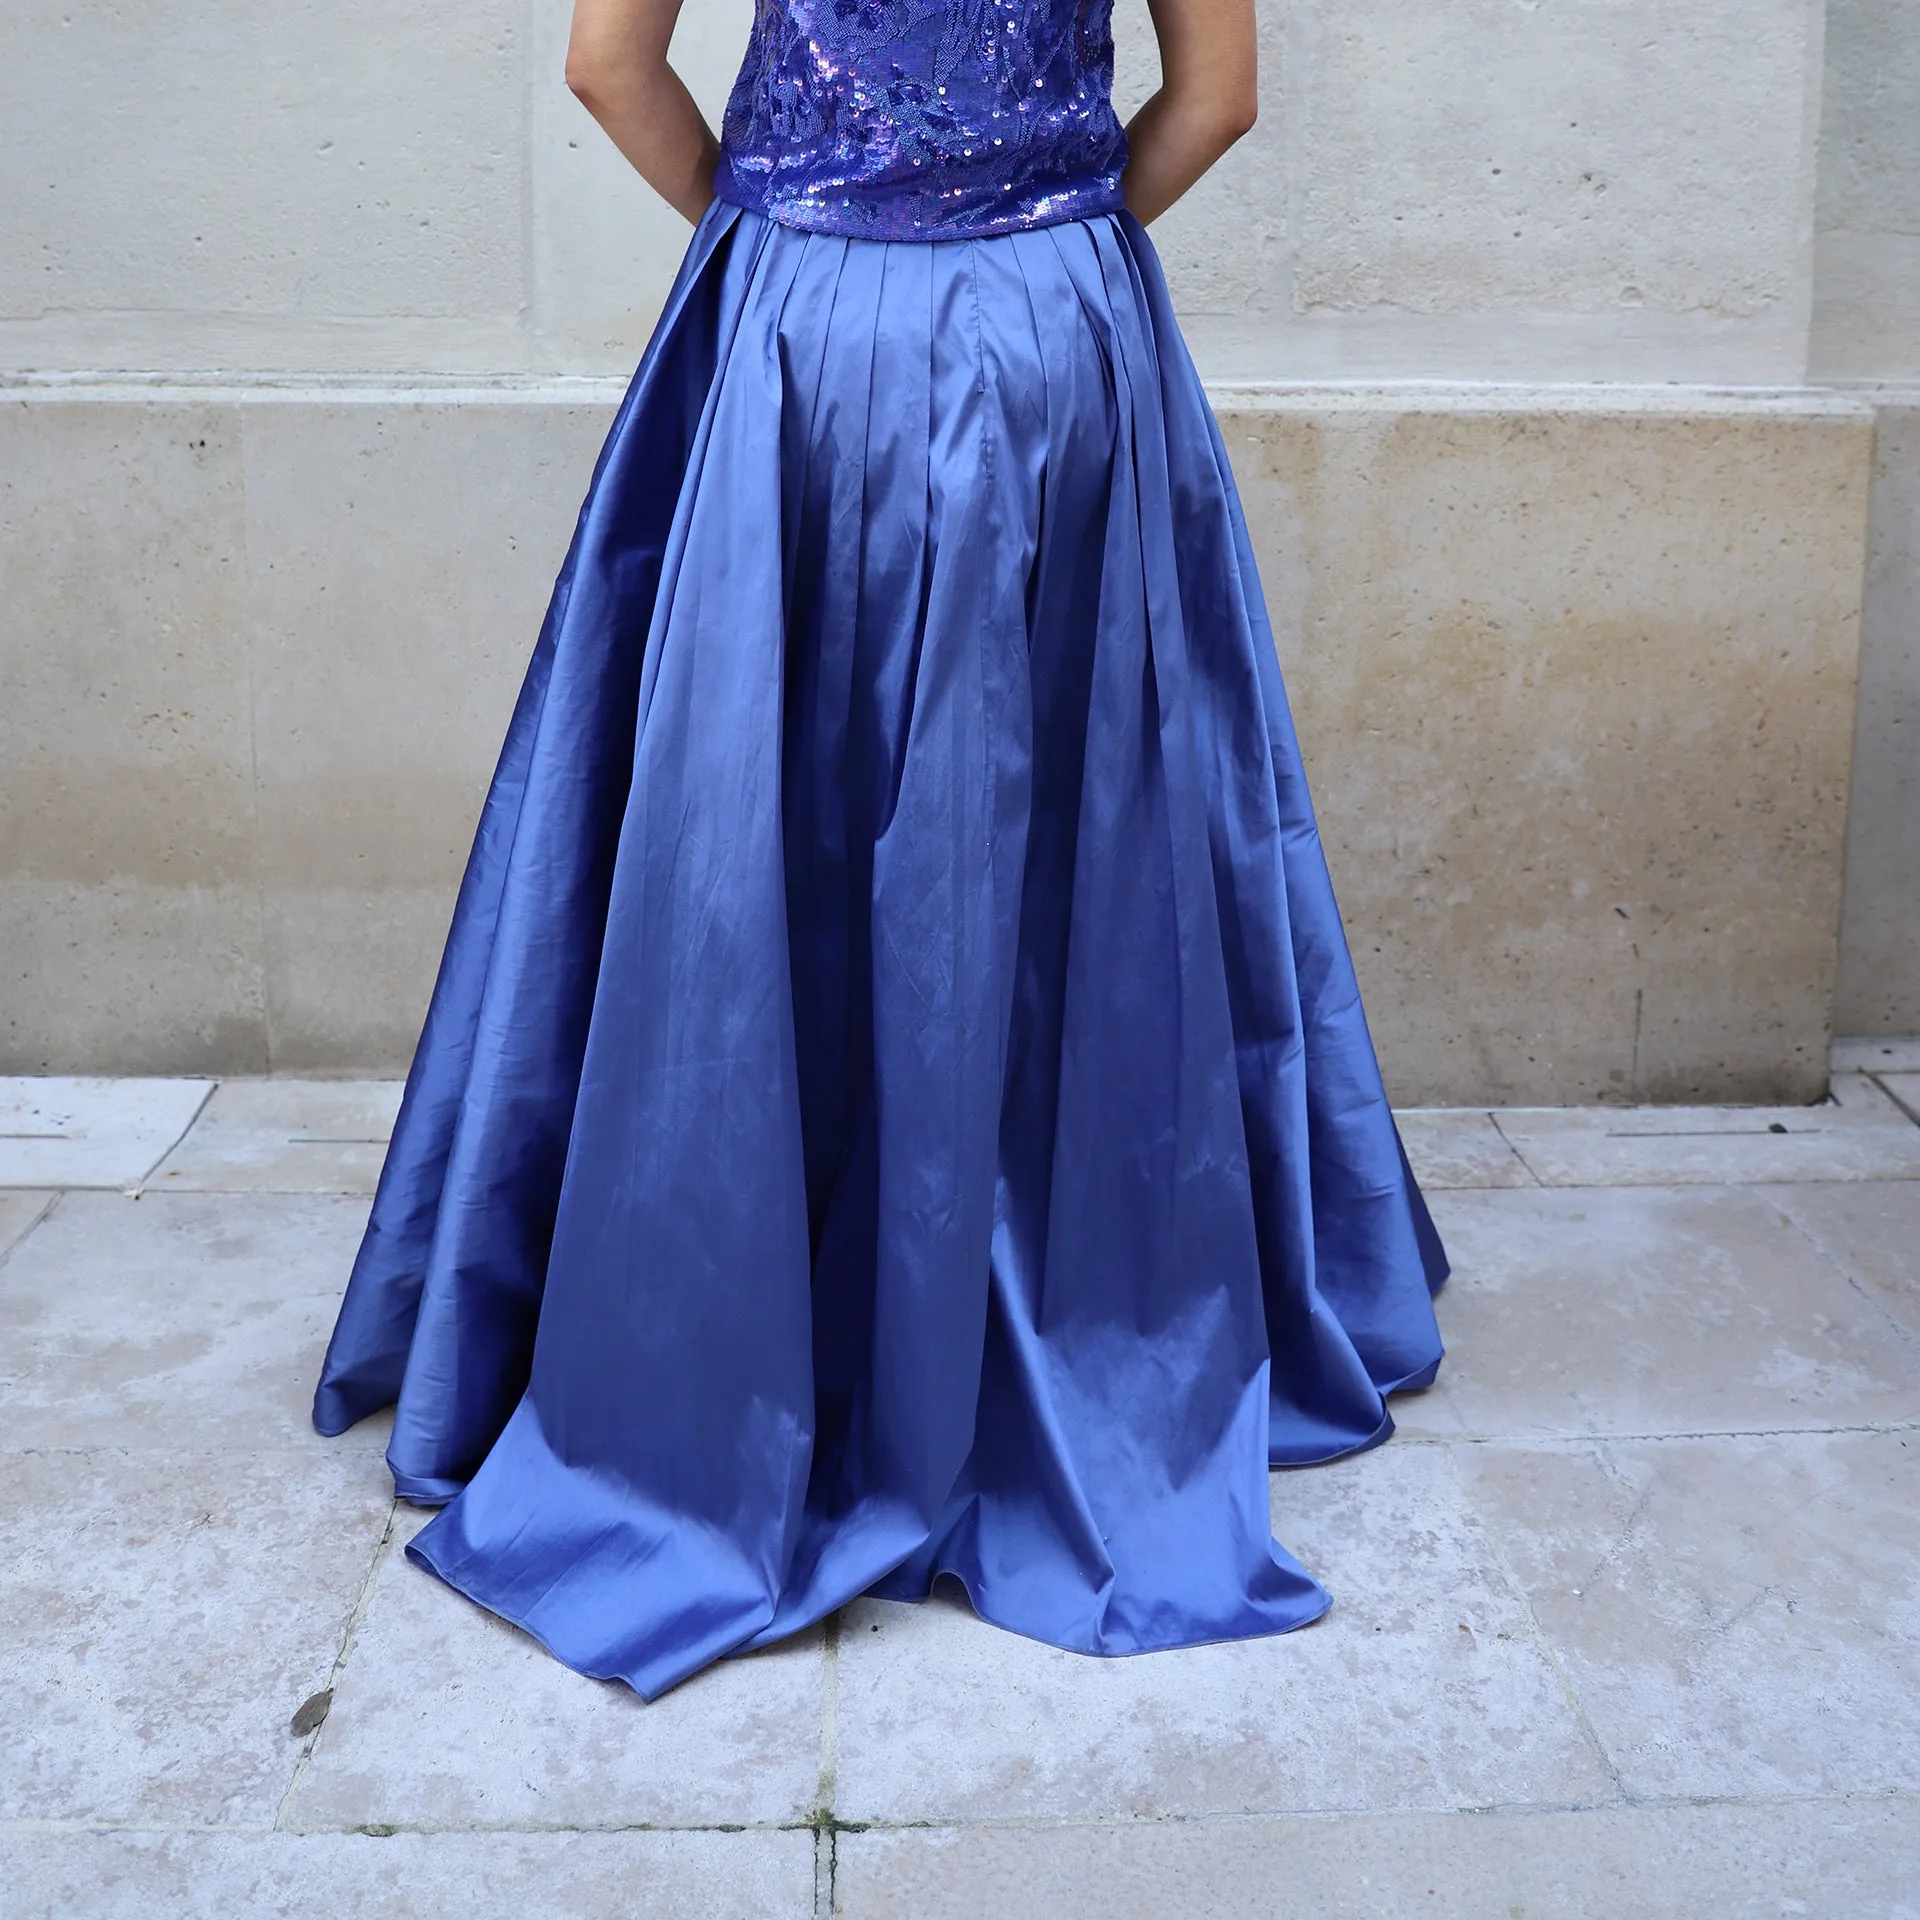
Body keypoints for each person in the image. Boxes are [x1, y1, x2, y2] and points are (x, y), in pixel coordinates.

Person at [312, 0, 1447, 1700]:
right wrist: (1041, 235)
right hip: (1060, 334)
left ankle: (736, 1342)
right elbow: (1215, 102)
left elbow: (605, 65)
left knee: (738, 826)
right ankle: (1057, 1339)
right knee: (1065, 839)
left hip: (792, 333)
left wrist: (786, 228)